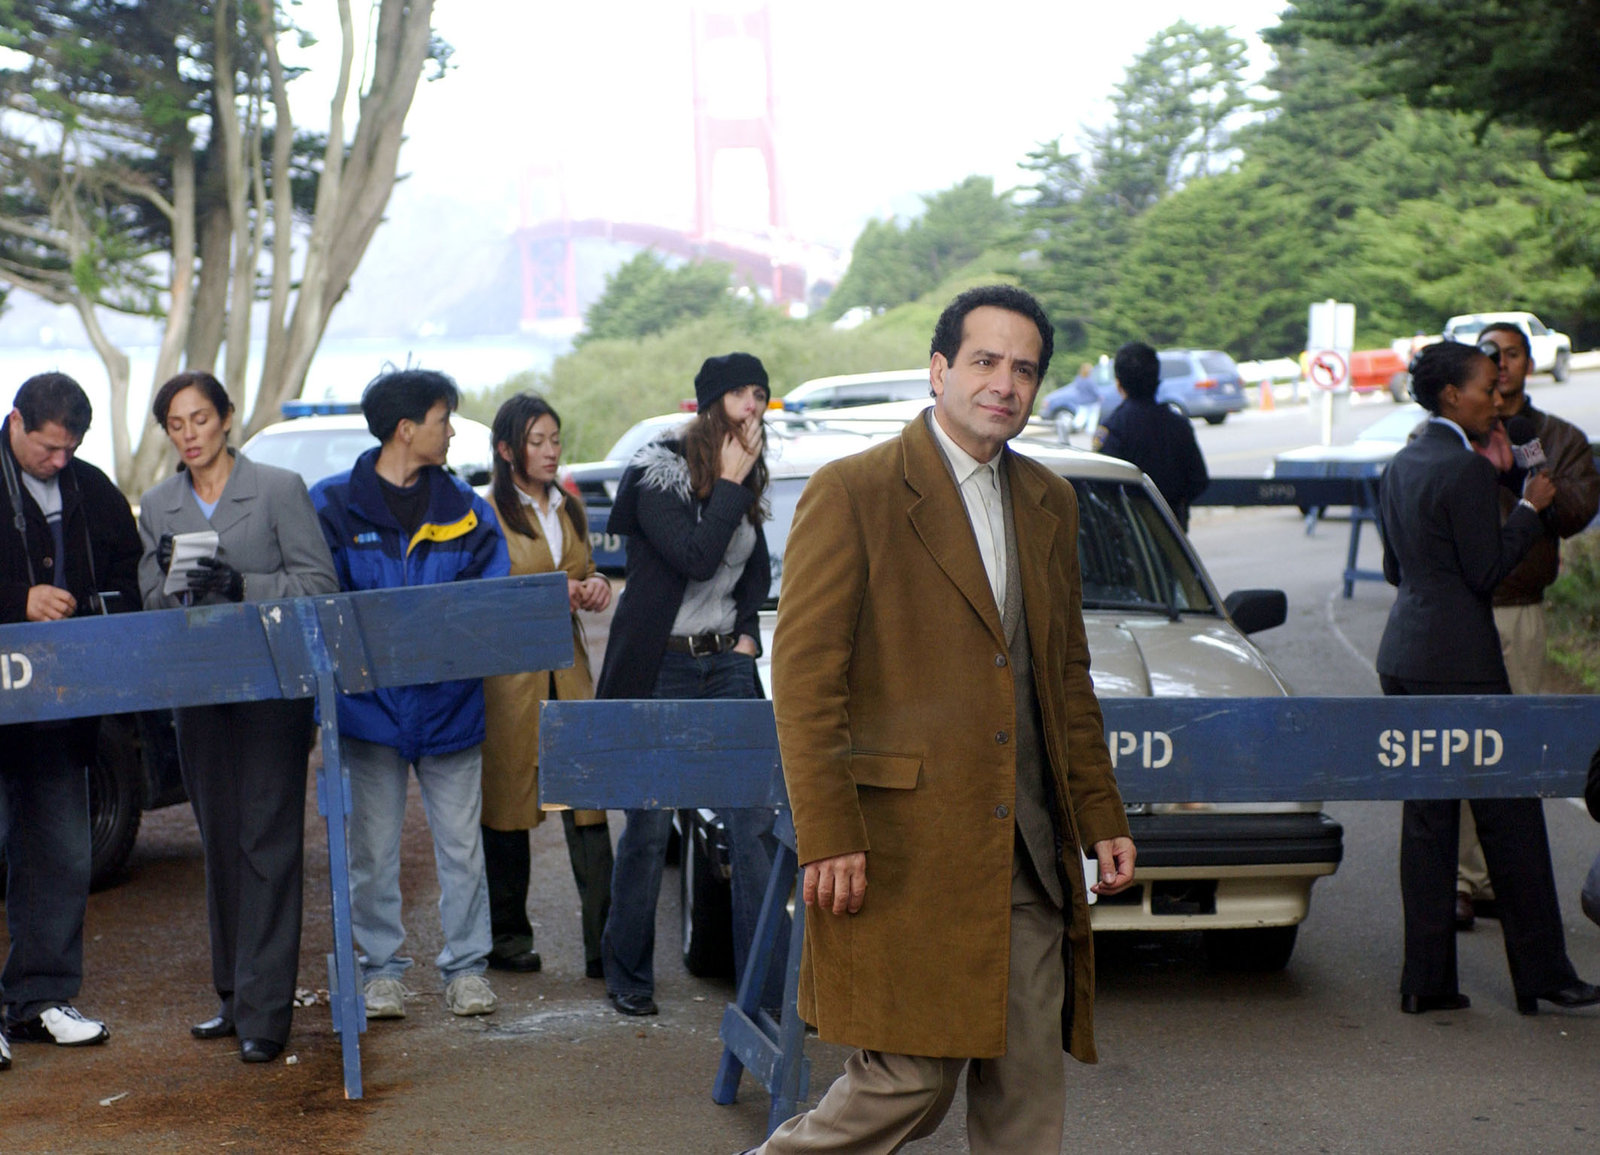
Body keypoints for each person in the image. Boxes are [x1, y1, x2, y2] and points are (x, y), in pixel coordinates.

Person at [758, 285, 1136, 1153]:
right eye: (985, 361)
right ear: (939, 370)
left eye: (1024, 369)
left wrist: (1100, 812)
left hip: (1029, 853)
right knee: (908, 1081)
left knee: (1026, 1097)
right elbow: (806, 683)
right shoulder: (853, 491)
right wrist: (829, 834)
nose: (1004, 383)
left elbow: (1065, 676)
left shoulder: (1049, 499)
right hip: (903, 849)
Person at [1375, 341, 1600, 1016]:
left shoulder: (1401, 463)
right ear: (1452, 395)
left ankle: (1426, 981)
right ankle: (1544, 975)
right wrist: (1528, 509)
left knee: (1428, 820)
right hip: (1461, 663)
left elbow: (1394, 569)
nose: (1497, 402)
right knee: (1512, 815)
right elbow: (1485, 573)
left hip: (1404, 655)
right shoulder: (1467, 469)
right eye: (1486, 389)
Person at [136, 371, 338, 1063]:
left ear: (226, 417)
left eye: (200, 418)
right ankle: (232, 995)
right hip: (198, 693)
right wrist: (170, 581)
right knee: (220, 841)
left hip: (272, 693)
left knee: (268, 843)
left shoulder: (279, 488)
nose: (189, 434)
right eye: (176, 424)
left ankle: (267, 1013)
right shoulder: (159, 504)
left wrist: (242, 584)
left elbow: (319, 584)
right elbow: (149, 604)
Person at [310, 368, 511, 1021]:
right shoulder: (331, 506)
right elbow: (321, 605)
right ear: (406, 429)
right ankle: (381, 973)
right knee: (371, 851)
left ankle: (467, 969)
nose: (450, 432)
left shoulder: (468, 510)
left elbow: (491, 605)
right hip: (368, 713)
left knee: (462, 847)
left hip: (450, 708)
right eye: (442, 419)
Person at [596, 352, 781, 1018]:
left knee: (753, 824)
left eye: (760, 392)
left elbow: (751, 570)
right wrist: (729, 483)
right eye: (740, 393)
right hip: (661, 664)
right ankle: (628, 973)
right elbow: (696, 556)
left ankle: (765, 988)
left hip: (725, 663)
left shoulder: (748, 472)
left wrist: (748, 633)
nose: (752, 404)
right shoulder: (659, 471)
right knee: (649, 826)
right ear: (710, 403)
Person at [0, 372, 140, 1060]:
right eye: (48, 448)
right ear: (15, 422)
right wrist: (15, 600)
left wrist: (97, 607)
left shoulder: (93, 488)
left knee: (61, 856)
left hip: (63, 715)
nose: (59, 461)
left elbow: (129, 577)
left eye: (70, 449)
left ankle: (41, 999)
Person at [1453, 323, 1600, 930]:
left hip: (1522, 606)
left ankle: (1504, 878)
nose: (1503, 366)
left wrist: (1531, 477)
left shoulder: (1557, 437)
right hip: (1463, 610)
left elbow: (1575, 512)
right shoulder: (1456, 434)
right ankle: (1464, 879)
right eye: (1491, 356)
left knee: (1516, 747)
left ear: (1528, 363)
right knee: (1465, 744)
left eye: (1512, 354)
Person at [480, 393, 614, 979]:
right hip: (510, 680)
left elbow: (584, 569)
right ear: (507, 450)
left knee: (587, 803)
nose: (550, 450)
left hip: (570, 670)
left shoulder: (569, 508)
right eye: (537, 441)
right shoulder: (486, 512)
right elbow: (479, 594)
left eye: (555, 439)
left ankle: (605, 945)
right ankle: (508, 939)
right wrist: (549, 593)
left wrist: (596, 583)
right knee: (507, 805)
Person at [1092, 341, 1209, 530]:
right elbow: (1198, 480)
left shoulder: (1112, 429)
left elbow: (1101, 487)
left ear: (1119, 383)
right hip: (1172, 529)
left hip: (1131, 532)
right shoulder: (1179, 425)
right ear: (1157, 379)